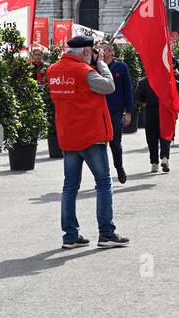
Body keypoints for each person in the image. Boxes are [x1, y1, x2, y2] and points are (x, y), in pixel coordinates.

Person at [48, 37, 128, 249]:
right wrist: (101, 63)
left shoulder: (53, 71)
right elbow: (109, 86)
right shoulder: (85, 72)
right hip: (91, 135)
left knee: (69, 187)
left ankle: (70, 236)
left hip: (68, 136)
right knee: (103, 183)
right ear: (85, 51)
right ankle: (106, 233)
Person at [101, 43, 134, 184]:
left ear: (110, 52)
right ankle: (102, 177)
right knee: (100, 145)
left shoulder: (121, 67)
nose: (101, 52)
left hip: (116, 110)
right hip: (99, 112)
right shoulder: (95, 68)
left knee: (115, 143)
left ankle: (119, 167)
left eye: (104, 49)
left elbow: (128, 90)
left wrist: (129, 112)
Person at [135, 73, 172, 173]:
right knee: (165, 135)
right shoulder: (167, 80)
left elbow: (138, 96)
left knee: (151, 138)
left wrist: (144, 101)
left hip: (150, 110)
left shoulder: (143, 81)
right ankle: (164, 157)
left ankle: (154, 162)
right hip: (164, 109)